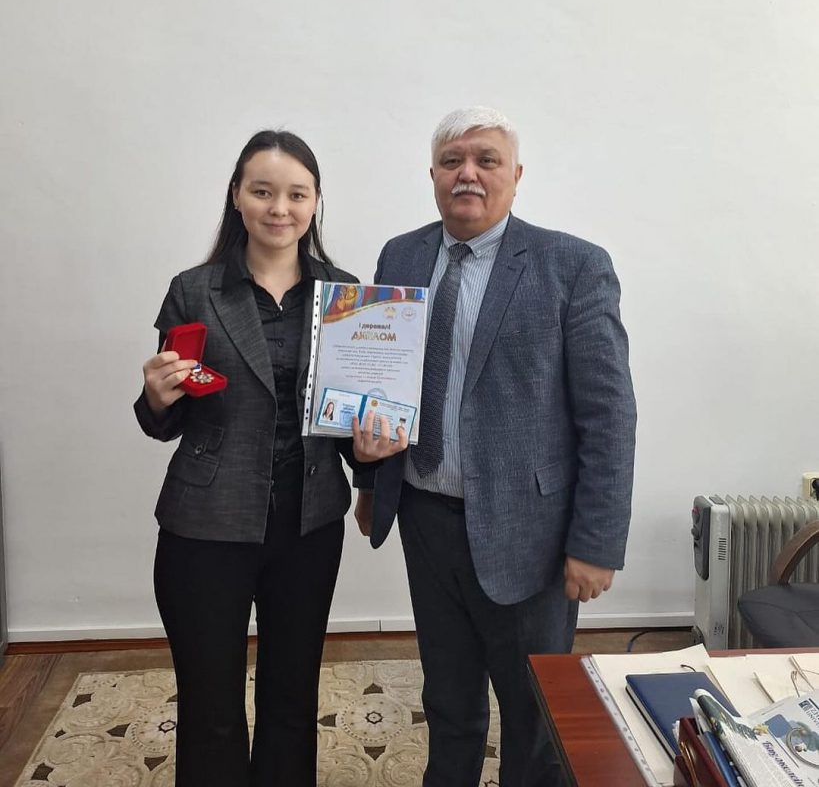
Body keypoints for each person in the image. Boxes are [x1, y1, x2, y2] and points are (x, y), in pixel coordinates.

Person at [352, 108, 637, 787]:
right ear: (432, 174)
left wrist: (596, 542)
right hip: (425, 520)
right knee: (447, 697)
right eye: (452, 161)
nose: (468, 174)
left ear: (516, 174)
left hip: (530, 536)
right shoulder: (400, 256)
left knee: (533, 714)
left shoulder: (574, 266)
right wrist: (369, 484)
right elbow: (378, 377)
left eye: (486, 160)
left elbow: (608, 415)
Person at [133, 129, 396, 787]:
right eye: (262, 191)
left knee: (292, 700)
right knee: (210, 707)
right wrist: (156, 398)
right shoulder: (194, 291)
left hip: (309, 524)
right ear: (237, 197)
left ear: (315, 202)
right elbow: (167, 417)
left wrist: (367, 454)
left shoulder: (346, 296)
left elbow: (347, 424)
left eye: (296, 194)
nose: (280, 208)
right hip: (205, 524)